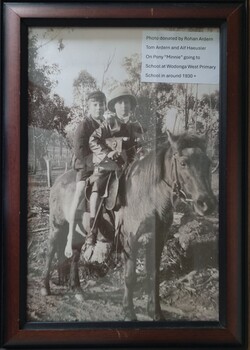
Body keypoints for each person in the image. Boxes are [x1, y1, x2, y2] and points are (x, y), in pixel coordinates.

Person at [84, 86, 144, 260]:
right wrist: (108, 152)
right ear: (114, 107)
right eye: (120, 102)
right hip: (109, 166)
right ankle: (92, 231)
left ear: (131, 106)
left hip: (130, 167)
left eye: (127, 102)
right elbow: (93, 140)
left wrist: (141, 154)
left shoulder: (136, 126)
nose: (124, 106)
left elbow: (140, 148)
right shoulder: (109, 123)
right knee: (98, 187)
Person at [64, 90, 106, 258]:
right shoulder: (84, 125)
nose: (99, 108)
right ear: (89, 107)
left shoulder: (105, 123)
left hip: (103, 165)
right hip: (85, 166)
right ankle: (69, 237)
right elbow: (79, 149)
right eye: (95, 105)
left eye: (101, 104)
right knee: (79, 193)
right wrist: (94, 164)